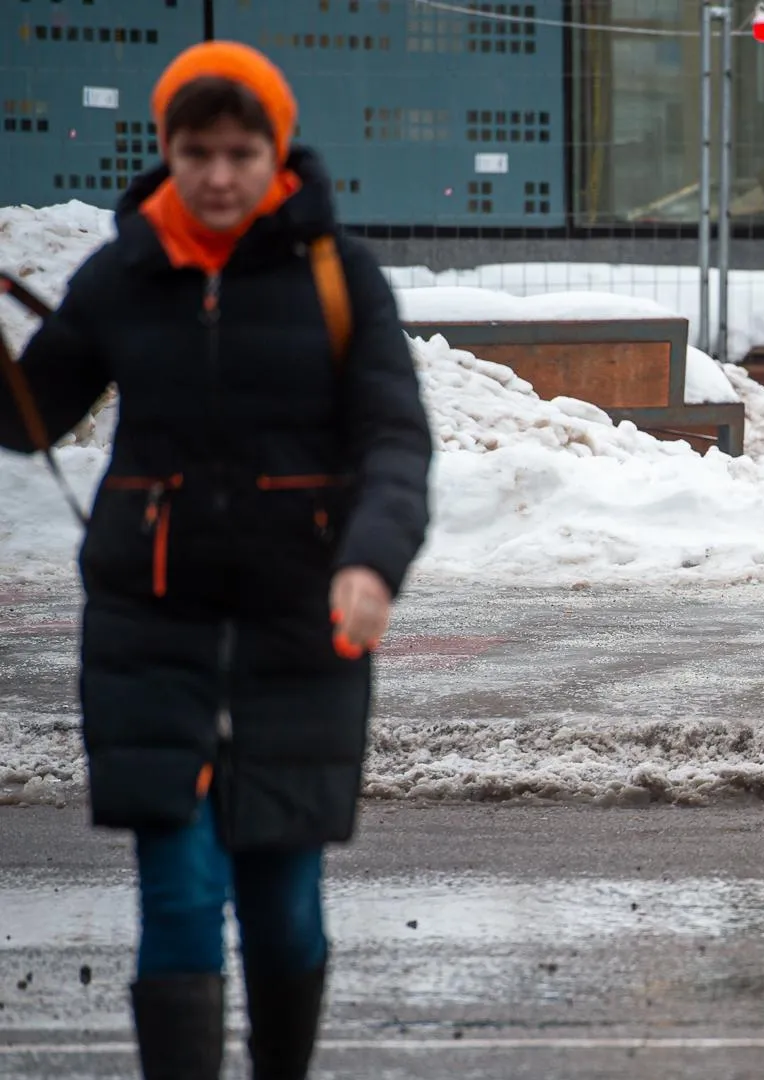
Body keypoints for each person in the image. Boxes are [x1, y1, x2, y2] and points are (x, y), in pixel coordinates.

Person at [0, 43, 431, 1079]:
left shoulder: (338, 274)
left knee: (284, 904)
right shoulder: (124, 271)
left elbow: (394, 441)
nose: (221, 175)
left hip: (301, 630)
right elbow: (28, 421)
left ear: (276, 150)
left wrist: (372, 560)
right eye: (198, 151)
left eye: (242, 151)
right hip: (153, 632)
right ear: (167, 149)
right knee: (182, 893)